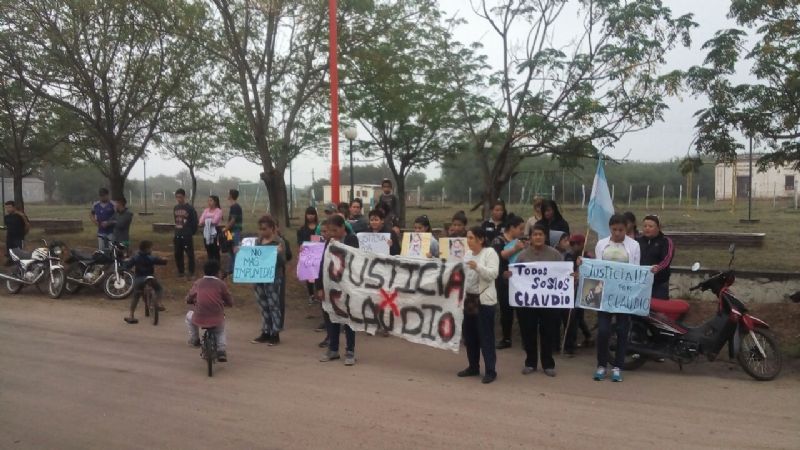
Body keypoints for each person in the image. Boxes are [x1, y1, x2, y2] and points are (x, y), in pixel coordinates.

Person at [589, 214, 641, 382]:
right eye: (614, 229)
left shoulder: (634, 246)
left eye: (621, 230)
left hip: (624, 294)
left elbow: (636, 270)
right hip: (603, 293)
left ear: (626, 229)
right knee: (603, 331)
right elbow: (596, 267)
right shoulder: (601, 244)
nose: (618, 233)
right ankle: (601, 365)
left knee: (622, 330)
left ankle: (618, 366)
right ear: (609, 228)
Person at [512, 223, 564, 377]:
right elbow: (515, 274)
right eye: (535, 234)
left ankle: (548, 364)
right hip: (528, 302)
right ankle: (530, 362)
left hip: (549, 301)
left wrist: (570, 277)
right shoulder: (522, 255)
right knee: (528, 331)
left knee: (548, 331)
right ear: (530, 237)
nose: (538, 237)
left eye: (541, 234)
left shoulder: (555, 255)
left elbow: (563, 274)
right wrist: (509, 276)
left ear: (545, 237)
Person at [458, 226, 500, 384]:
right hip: (469, 299)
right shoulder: (468, 254)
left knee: (485, 336)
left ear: (481, 239)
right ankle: (473, 366)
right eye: (467, 238)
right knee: (470, 336)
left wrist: (477, 267)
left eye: (471, 238)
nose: (468, 241)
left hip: (484, 300)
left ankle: (490, 370)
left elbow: (492, 274)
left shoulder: (489, 253)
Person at [317, 215, 360, 365]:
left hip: (347, 287)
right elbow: (322, 264)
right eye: (329, 231)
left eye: (335, 230)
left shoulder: (351, 240)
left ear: (343, 228)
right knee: (331, 317)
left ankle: (350, 351)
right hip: (331, 287)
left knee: (348, 318)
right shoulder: (328, 242)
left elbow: (355, 260)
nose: (332, 234)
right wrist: (320, 287)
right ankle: (333, 349)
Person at [185, 259, 234, 362]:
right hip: (216, 316)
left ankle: (195, 339)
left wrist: (189, 300)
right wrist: (229, 304)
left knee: (189, 316)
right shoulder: (221, 284)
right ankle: (221, 351)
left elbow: (190, 296)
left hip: (200, 315)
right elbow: (228, 298)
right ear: (217, 272)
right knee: (220, 330)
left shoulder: (198, 282)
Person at [251, 214, 288, 346]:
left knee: (274, 304)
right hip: (259, 276)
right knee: (263, 304)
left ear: (272, 228)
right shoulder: (258, 241)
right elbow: (254, 258)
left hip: (273, 277)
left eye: (265, 229)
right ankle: (266, 330)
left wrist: (277, 254)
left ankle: (275, 332)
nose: (262, 231)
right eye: (260, 229)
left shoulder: (279, 242)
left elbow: (283, 262)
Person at [492, 214, 526, 350]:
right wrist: (516, 249)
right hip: (504, 279)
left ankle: (525, 339)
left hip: (519, 279)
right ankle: (506, 338)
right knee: (506, 310)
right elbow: (499, 256)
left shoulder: (521, 241)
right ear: (511, 228)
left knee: (522, 311)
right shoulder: (498, 240)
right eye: (520, 228)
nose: (522, 232)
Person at [563, 234, 594, 355]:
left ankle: (571, 345)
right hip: (571, 289)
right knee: (575, 317)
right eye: (572, 243)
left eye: (577, 243)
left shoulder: (588, 257)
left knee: (576, 317)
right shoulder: (568, 256)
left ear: (583, 244)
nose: (574, 246)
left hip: (585, 289)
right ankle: (575, 343)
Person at [123, 240, 167, 324]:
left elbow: (128, 265)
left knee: (136, 295)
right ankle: (159, 303)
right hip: (150, 277)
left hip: (139, 279)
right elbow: (162, 262)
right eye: (151, 248)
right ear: (147, 249)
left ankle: (131, 315)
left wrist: (126, 263)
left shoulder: (135, 257)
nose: (151, 250)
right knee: (159, 288)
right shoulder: (151, 257)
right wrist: (164, 260)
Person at [637, 215, 674, 300]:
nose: (647, 228)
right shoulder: (638, 241)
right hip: (641, 282)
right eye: (645, 226)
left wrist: (658, 268)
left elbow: (667, 258)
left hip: (659, 282)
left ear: (658, 228)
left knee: (659, 309)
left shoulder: (666, 241)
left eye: (650, 226)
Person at [173, 189, 198, 280]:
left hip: (187, 234)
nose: (178, 199)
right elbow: (175, 220)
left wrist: (191, 232)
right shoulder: (175, 208)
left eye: (180, 197)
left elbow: (195, 221)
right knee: (177, 253)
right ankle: (181, 271)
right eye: (177, 197)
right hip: (177, 233)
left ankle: (191, 272)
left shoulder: (190, 208)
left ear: (184, 196)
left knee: (189, 254)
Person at [297, 206, 320, 303]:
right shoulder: (302, 229)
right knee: (309, 275)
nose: (311, 216)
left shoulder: (319, 227)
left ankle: (319, 293)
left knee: (318, 275)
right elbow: (300, 242)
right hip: (307, 255)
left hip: (318, 254)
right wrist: (301, 248)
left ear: (315, 215)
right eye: (309, 214)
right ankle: (311, 295)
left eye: (313, 214)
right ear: (306, 215)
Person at [222, 189, 243, 277]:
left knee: (234, 249)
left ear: (231, 195)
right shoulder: (233, 206)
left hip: (234, 231)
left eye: (228, 194)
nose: (228, 195)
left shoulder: (235, 207)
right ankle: (230, 269)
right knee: (230, 249)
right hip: (231, 231)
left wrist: (225, 229)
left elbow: (233, 220)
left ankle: (235, 271)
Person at [3, 200, 30, 265]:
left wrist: (23, 234)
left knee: (19, 250)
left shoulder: (20, 216)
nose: (8, 209)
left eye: (9, 207)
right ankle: (11, 260)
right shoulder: (6, 217)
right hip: (10, 237)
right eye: (6, 207)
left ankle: (20, 263)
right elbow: (7, 227)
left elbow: (27, 225)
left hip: (18, 237)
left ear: (14, 207)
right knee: (10, 250)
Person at [198, 195, 223, 262]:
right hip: (207, 232)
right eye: (208, 201)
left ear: (215, 202)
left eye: (211, 200)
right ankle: (211, 266)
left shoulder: (218, 211)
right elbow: (200, 221)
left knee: (216, 250)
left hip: (216, 232)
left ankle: (217, 267)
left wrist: (206, 220)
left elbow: (215, 221)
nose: (209, 202)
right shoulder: (206, 210)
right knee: (209, 250)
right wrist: (208, 221)